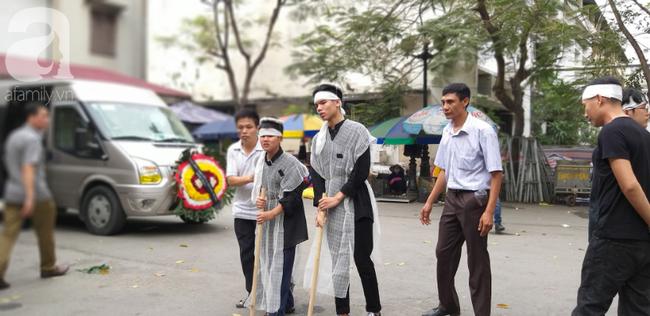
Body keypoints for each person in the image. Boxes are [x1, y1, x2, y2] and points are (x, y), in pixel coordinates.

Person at [420, 83, 503, 316]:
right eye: (443, 102)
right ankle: (448, 306)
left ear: (465, 101)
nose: (445, 107)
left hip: (474, 202)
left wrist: (489, 211)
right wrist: (429, 201)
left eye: (450, 102)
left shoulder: (483, 131)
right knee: (443, 254)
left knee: (477, 261)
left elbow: (496, 174)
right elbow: (444, 170)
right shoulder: (447, 131)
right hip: (451, 200)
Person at [573, 77, 650, 315]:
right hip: (643, 242)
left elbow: (630, 185)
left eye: (585, 105)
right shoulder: (643, 134)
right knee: (637, 310)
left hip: (614, 238)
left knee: (590, 307)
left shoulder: (612, 131)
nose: (585, 113)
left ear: (599, 99)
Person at [306, 83, 382, 316]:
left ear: (337, 102)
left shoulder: (357, 131)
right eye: (317, 104)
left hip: (357, 201)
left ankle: (373, 310)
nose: (319, 108)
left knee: (361, 257)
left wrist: (339, 196)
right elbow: (316, 174)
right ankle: (343, 311)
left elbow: (361, 170)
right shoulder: (318, 138)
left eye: (324, 102)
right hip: (331, 205)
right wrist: (321, 205)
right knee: (338, 262)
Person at [0, 102, 69, 290]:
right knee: (45, 233)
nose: (47, 119)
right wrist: (30, 197)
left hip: (12, 192)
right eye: (44, 116)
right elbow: (28, 168)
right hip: (37, 194)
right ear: (31, 117)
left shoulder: (14, 136)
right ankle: (48, 267)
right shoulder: (31, 139)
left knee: (7, 235)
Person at [251, 117, 308, 316]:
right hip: (268, 222)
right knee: (269, 264)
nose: (265, 139)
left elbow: (292, 197)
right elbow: (261, 187)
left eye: (270, 136)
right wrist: (260, 200)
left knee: (281, 269)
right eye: (262, 135)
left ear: (280, 138)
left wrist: (271, 213)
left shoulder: (291, 163)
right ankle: (288, 303)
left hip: (287, 222)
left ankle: (276, 311)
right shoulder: (261, 160)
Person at [226, 109, 265, 308]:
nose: (244, 131)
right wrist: (252, 177)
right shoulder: (233, 150)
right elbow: (231, 179)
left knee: (267, 254)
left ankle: (276, 294)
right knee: (247, 255)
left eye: (249, 127)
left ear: (257, 128)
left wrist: (247, 179)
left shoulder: (266, 147)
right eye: (240, 127)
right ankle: (252, 293)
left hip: (264, 211)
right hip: (242, 211)